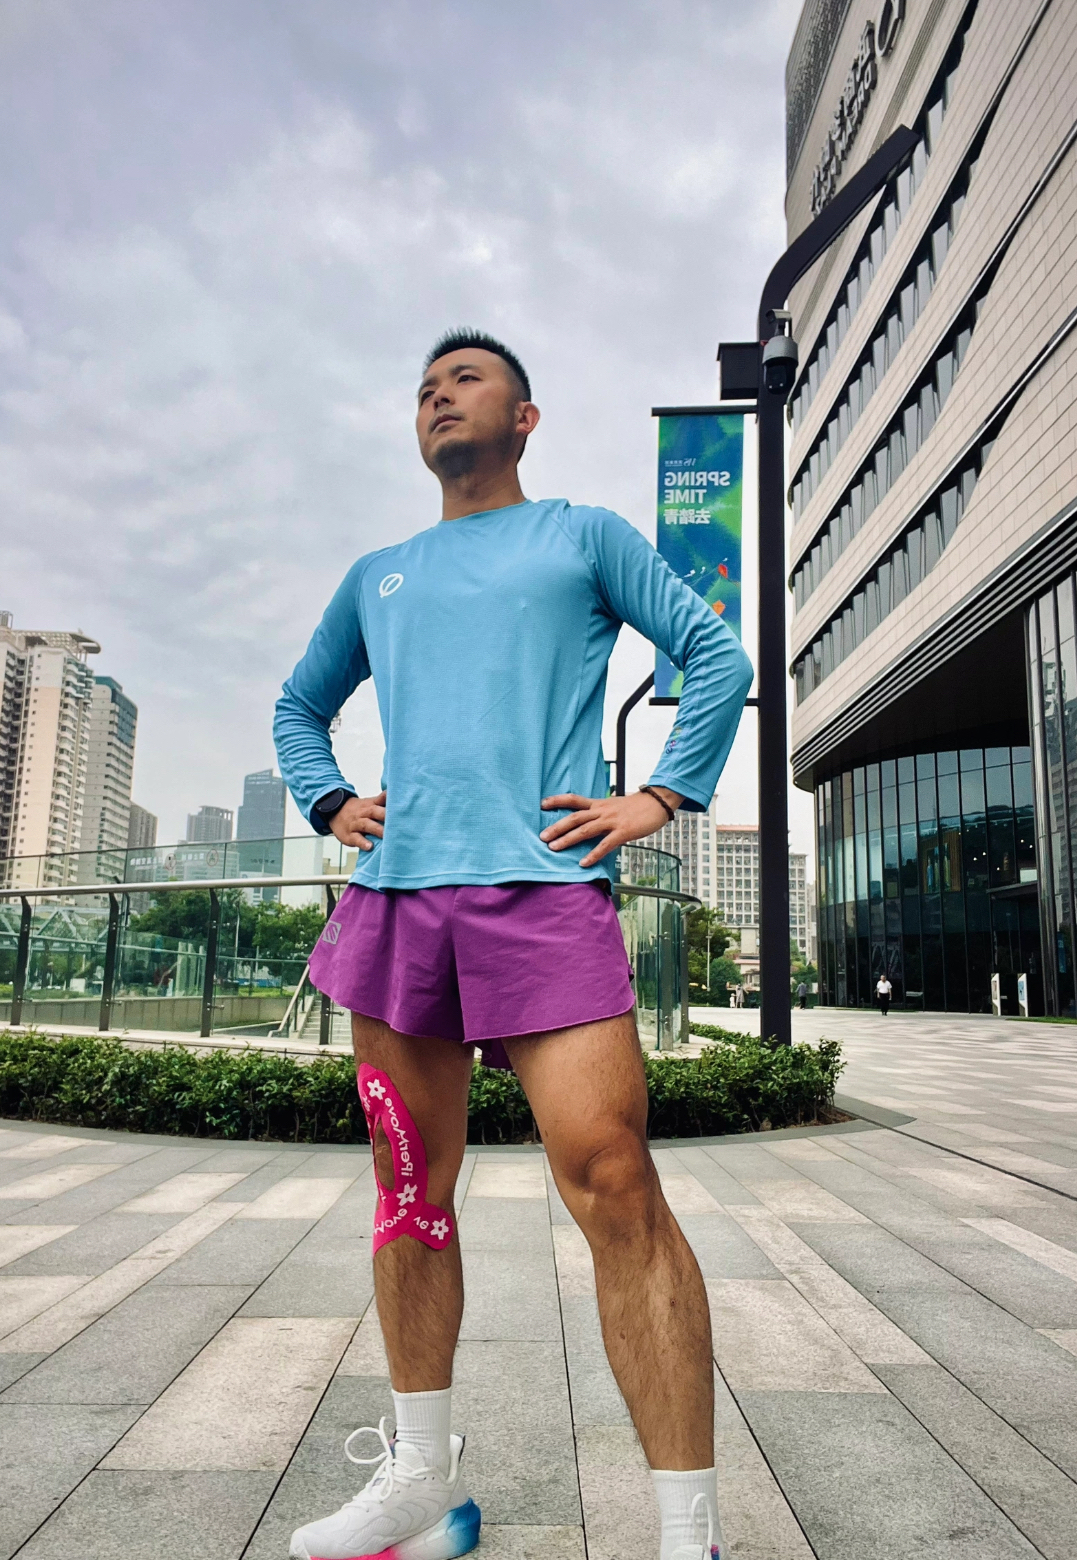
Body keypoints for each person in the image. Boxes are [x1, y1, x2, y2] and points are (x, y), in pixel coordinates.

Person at [274, 328, 752, 1560]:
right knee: (406, 1191)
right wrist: (329, 799)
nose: (439, 395)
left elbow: (715, 651)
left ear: (524, 417)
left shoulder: (582, 536)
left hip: (542, 896)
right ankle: (422, 1486)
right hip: (398, 907)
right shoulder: (379, 575)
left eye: (466, 379)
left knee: (615, 1181)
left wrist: (661, 795)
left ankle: (688, 1536)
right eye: (425, 388)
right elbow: (299, 705)